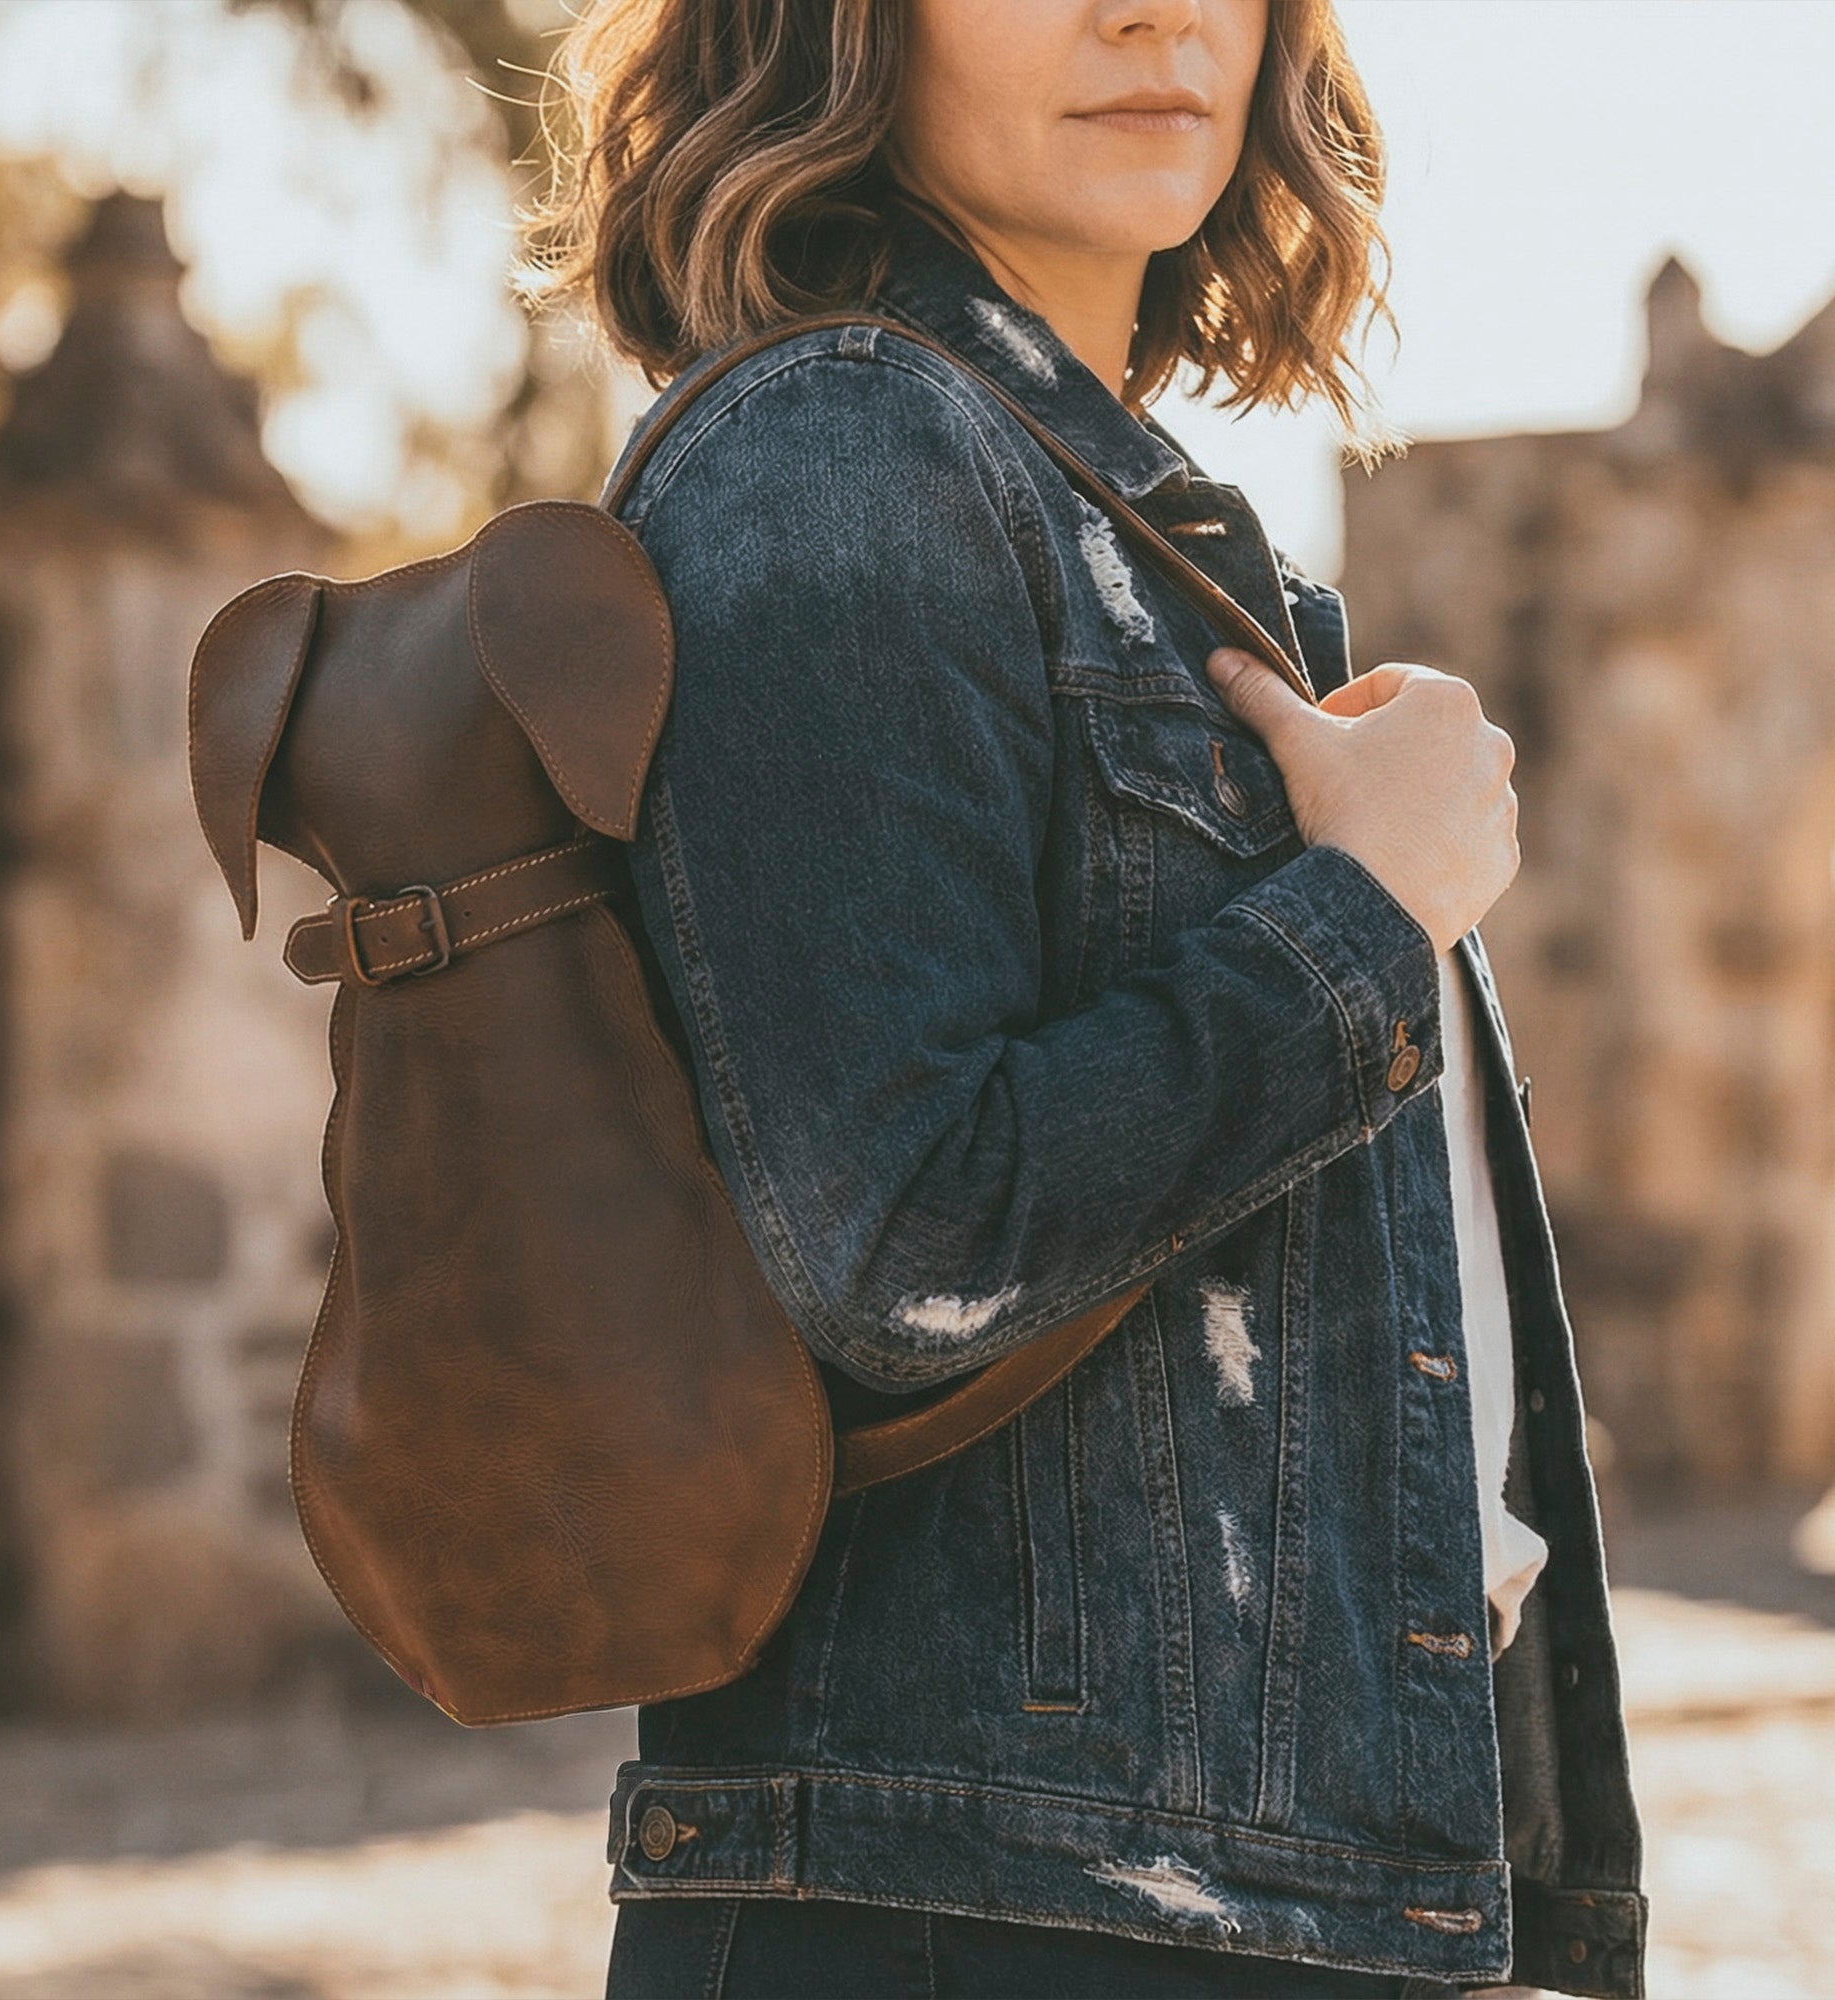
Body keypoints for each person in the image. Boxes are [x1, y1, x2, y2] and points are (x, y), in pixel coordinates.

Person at [519, 1, 1645, 1995]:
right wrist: (1366, 906)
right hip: (994, 1912)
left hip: (1220, 1887)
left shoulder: (1107, 500)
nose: (1152, 11)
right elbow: (898, 1234)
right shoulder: (841, 446)